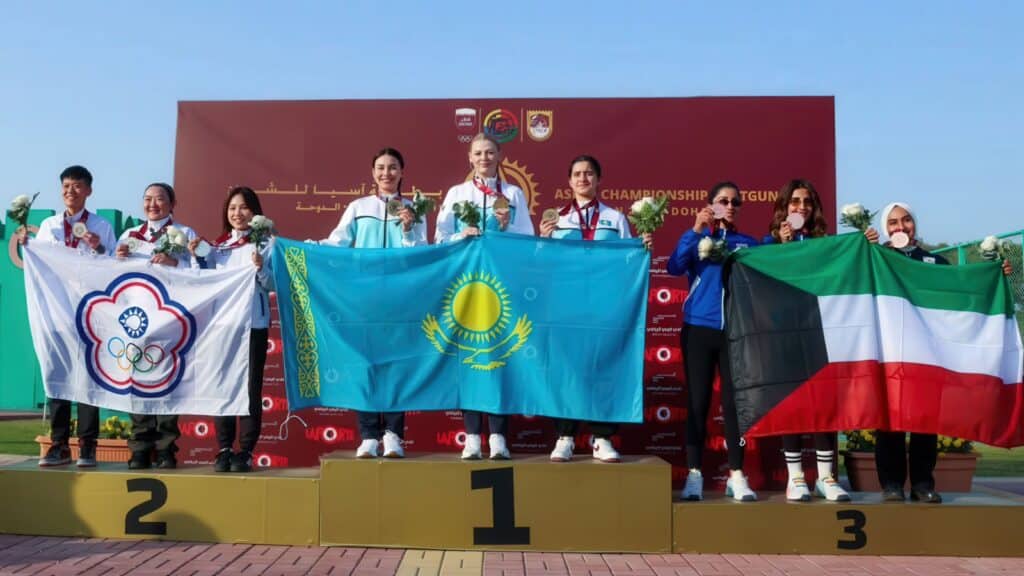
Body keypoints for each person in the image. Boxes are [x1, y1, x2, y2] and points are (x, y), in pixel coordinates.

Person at [763, 180, 878, 502]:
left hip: (821, 332)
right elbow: (761, 279)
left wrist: (864, 243)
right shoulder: (768, 242)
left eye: (807, 202)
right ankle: (796, 478)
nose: (801, 207)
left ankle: (826, 477)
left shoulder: (826, 244)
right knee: (792, 404)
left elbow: (849, 267)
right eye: (795, 201)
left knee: (826, 402)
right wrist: (781, 247)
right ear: (784, 207)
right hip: (785, 334)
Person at [540, 155, 650, 463]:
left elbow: (628, 260)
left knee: (603, 366)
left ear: (599, 179)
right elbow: (542, 264)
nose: (583, 178)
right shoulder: (557, 218)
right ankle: (565, 436)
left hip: (604, 304)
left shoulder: (615, 218)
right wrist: (544, 240)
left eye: (589, 173)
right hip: (566, 303)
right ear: (569, 181)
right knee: (566, 368)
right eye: (577, 174)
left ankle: (602, 437)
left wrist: (642, 247)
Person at [320, 148, 427, 458]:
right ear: (372, 173)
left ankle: (393, 435)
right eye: (380, 167)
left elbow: (421, 251)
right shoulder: (358, 207)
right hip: (363, 296)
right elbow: (338, 242)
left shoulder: (414, 208)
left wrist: (408, 228)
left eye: (392, 167)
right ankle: (368, 435)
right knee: (364, 363)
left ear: (402, 172)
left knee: (396, 364)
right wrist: (306, 248)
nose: (386, 173)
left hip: (399, 296)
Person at [435, 133, 535, 459]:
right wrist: (460, 234)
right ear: (469, 157)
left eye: (490, 152)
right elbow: (439, 237)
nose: (484, 158)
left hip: (501, 285)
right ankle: (472, 437)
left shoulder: (513, 194)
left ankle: (498, 438)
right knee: (469, 357)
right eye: (478, 153)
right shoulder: (457, 193)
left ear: (499, 155)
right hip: (466, 285)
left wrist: (507, 228)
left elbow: (529, 238)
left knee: (499, 357)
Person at [667, 181, 759, 501]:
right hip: (699, 329)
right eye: (723, 200)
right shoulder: (698, 238)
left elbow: (773, 263)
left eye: (735, 202)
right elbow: (674, 266)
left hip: (735, 332)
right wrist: (695, 230)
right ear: (711, 205)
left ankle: (737, 474)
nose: (730, 206)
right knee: (698, 403)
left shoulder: (747, 244)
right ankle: (694, 474)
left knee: (734, 406)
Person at [22, 165, 116, 468]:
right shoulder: (49, 225)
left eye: (76, 186)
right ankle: (59, 444)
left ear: (88, 190)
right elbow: (39, 262)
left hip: (90, 314)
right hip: (57, 312)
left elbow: (114, 266)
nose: (70, 191)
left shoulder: (101, 225)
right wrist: (26, 244)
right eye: (65, 186)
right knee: (57, 375)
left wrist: (98, 247)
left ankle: (88, 446)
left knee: (89, 378)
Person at [188, 186, 274, 473]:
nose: (238, 213)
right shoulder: (218, 247)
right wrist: (198, 256)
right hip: (223, 326)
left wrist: (261, 268)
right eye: (232, 208)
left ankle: (246, 450)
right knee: (222, 384)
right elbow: (204, 279)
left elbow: (274, 284)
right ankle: (224, 448)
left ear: (255, 211)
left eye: (244, 207)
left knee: (251, 388)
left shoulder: (267, 243)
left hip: (253, 324)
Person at [115, 182, 198, 469]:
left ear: (172, 204)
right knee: (137, 382)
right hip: (136, 320)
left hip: (169, 320)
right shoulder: (129, 236)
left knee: (166, 382)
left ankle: (165, 450)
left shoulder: (184, 234)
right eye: (148, 198)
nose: (153, 204)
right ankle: (139, 448)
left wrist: (175, 263)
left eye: (160, 199)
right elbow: (111, 276)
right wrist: (118, 260)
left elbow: (200, 273)